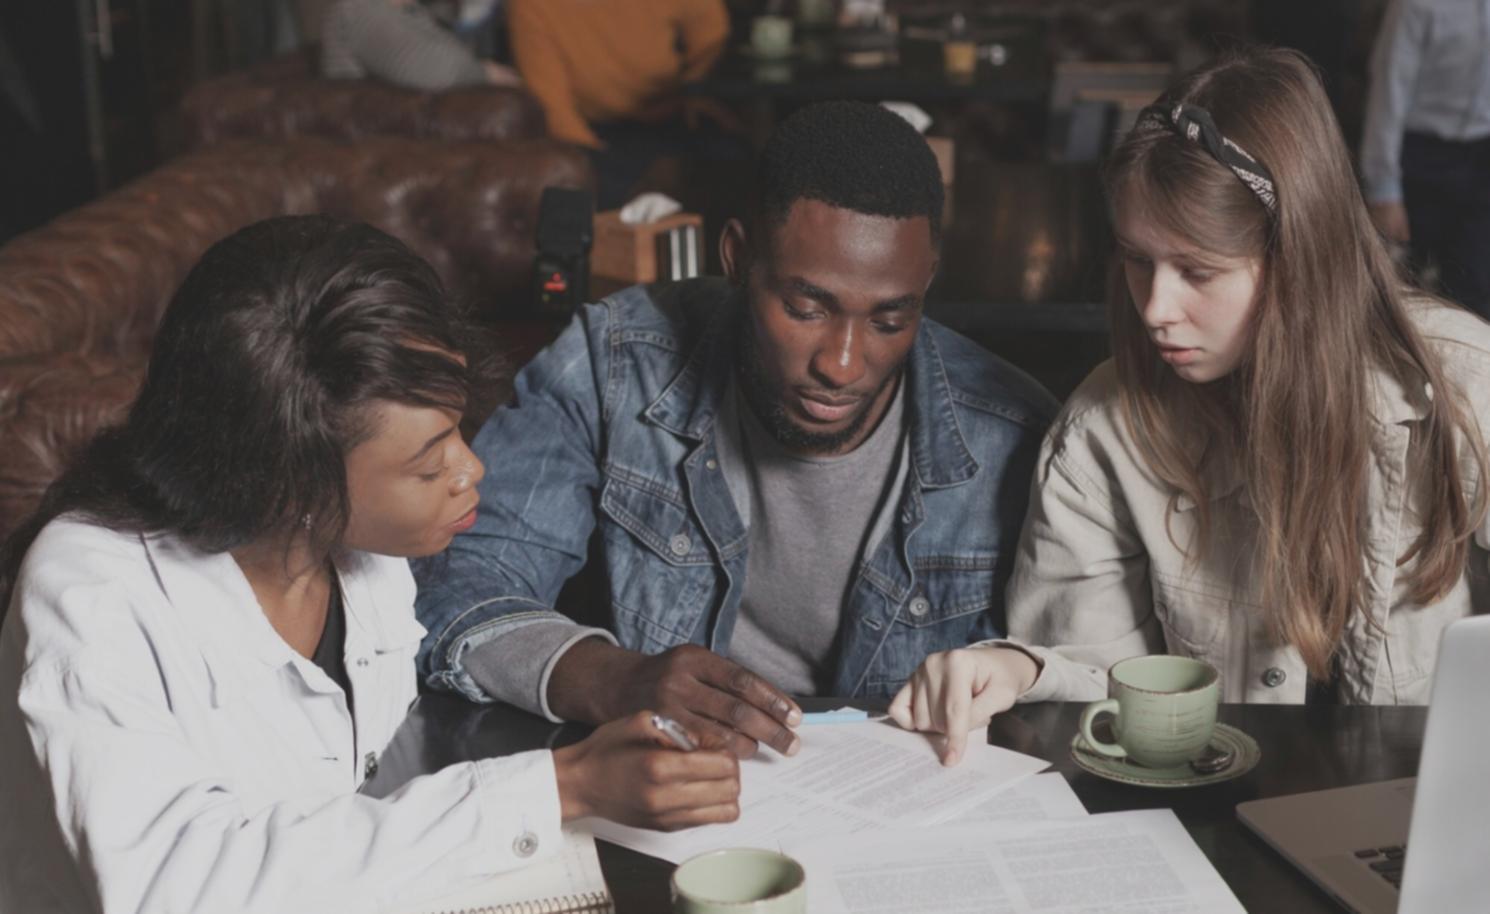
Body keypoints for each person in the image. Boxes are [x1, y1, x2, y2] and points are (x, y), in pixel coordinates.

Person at [0, 216, 738, 914]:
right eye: (428, 465)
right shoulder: (91, 595)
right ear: (293, 483)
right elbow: (178, 890)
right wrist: (559, 787)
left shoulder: (359, 553)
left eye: (457, 431)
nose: (472, 470)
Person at [889, 47, 1490, 765]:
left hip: (1421, 811)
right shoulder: (1099, 432)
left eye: (1197, 271)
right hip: (1215, 810)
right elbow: (1101, 693)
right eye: (1137, 260)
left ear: (1300, 259)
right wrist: (1020, 668)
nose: (1155, 308)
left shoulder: (1462, 385)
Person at [413, 101, 1059, 762]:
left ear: (926, 282)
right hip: (670, 784)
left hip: (909, 802)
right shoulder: (613, 366)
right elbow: (457, 583)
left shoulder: (1012, 433)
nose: (841, 365)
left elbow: (1072, 666)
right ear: (737, 257)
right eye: (805, 309)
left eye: (889, 321)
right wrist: (612, 678)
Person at [505, 0, 741, 208]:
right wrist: (590, 159)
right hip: (598, 133)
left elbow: (712, 32)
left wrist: (693, 90)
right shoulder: (531, 5)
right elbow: (552, 107)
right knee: (605, 187)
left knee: (735, 161)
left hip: (674, 111)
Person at [1360, 0, 1490, 318]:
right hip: (1420, 156)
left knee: (1475, 287)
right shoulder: (1416, 6)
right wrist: (1384, 190)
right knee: (1404, 289)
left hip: (1481, 156)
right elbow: (1389, 91)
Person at [321, 0, 521, 91]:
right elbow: (440, 68)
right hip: (387, 151)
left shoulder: (414, 10)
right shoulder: (357, 9)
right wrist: (486, 73)